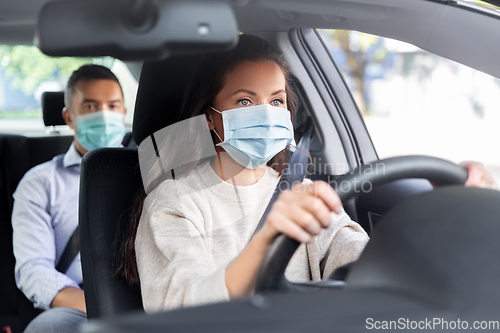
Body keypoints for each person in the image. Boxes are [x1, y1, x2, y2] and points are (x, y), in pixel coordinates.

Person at [121, 35, 498, 313]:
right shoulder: (174, 201)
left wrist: (445, 213)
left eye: (277, 101)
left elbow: (361, 259)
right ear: (211, 119)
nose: (265, 113)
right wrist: (268, 237)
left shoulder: (298, 192)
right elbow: (180, 307)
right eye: (245, 101)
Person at [12, 64, 127, 333]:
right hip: (77, 306)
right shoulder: (40, 182)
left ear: (124, 111)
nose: (104, 114)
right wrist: (103, 308)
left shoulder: (148, 171)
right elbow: (34, 269)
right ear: (69, 116)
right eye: (90, 106)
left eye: (113, 106)